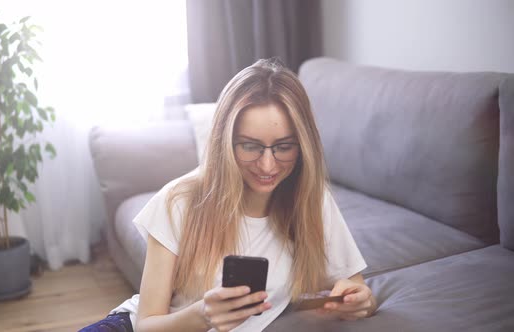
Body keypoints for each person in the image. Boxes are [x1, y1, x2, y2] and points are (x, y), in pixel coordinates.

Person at [80, 58, 377, 332]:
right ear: (226, 142)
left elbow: (355, 288)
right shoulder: (179, 200)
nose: (267, 165)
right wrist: (203, 314)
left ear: (303, 147)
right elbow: (147, 325)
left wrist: (359, 301)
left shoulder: (312, 202)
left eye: (284, 147)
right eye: (250, 146)